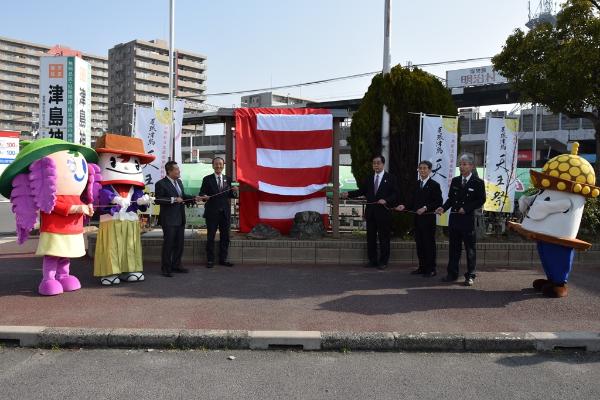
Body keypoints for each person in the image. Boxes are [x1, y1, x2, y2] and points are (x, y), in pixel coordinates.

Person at [435, 153, 486, 286]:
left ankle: (470, 275)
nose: (461, 167)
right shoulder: (456, 180)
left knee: (470, 249)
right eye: (460, 164)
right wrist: (443, 208)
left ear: (471, 166)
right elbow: (451, 199)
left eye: (464, 164)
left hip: (468, 220)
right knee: (453, 248)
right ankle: (452, 274)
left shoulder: (478, 182)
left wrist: (467, 208)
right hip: (454, 220)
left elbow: (481, 200)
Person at [341, 155, 398, 270]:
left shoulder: (390, 178)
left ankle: (383, 261)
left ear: (383, 164)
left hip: (384, 213)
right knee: (370, 238)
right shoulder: (369, 178)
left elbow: (395, 194)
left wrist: (386, 200)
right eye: (374, 163)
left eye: (378, 163)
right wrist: (349, 194)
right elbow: (362, 191)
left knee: (384, 238)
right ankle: (372, 260)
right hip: (371, 213)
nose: (376, 165)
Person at [395, 160, 443, 277]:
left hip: (428, 220)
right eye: (420, 168)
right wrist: (404, 206)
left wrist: (425, 208)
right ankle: (422, 267)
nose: (422, 170)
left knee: (429, 245)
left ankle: (431, 269)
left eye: (425, 168)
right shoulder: (416, 184)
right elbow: (411, 201)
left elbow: (438, 202)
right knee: (419, 244)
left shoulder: (434, 185)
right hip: (417, 220)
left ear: (430, 170)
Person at [154, 161, 197, 277]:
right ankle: (166, 268)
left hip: (180, 218)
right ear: (169, 171)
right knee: (169, 244)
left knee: (179, 244)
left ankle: (176, 265)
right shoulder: (161, 184)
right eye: (176, 169)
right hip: (168, 219)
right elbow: (158, 200)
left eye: (178, 169)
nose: (179, 171)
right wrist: (173, 199)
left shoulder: (179, 182)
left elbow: (182, 196)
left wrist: (195, 198)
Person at [198, 157, 239, 268]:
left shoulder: (228, 179)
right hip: (211, 213)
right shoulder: (207, 179)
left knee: (225, 237)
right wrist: (204, 197)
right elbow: (202, 193)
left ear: (223, 165)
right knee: (210, 237)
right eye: (216, 164)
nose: (218, 166)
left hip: (225, 213)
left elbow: (232, 195)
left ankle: (223, 259)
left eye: (220, 164)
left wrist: (235, 192)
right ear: (212, 165)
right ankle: (210, 260)